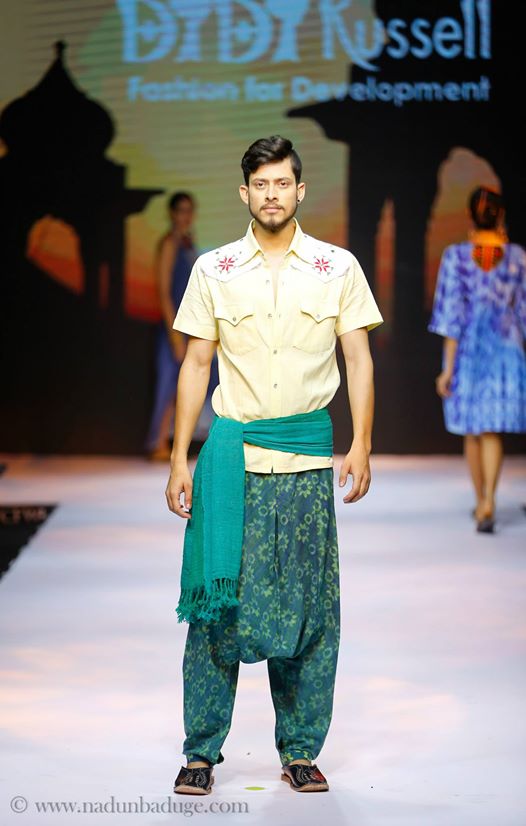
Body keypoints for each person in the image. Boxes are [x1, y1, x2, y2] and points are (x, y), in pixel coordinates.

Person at [165, 136, 383, 794]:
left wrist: (363, 442)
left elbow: (358, 358)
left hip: (307, 464)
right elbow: (196, 364)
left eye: (282, 183)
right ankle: (201, 751)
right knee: (218, 608)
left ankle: (301, 749)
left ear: (299, 190)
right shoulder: (216, 268)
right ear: (244, 193)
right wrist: (178, 456)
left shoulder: (337, 267)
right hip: (233, 465)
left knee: (309, 610)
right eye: (260, 184)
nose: (271, 194)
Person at [429, 186, 526, 533]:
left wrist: (447, 369)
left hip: (469, 351)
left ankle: (482, 500)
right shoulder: (517, 257)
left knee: (472, 430)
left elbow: (451, 317)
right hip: (507, 349)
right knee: (491, 429)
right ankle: (488, 502)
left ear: (470, 215)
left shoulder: (456, 257)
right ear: (501, 215)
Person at [144, 192, 218, 460]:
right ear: (172, 213)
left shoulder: (187, 243)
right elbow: (164, 292)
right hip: (173, 327)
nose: (186, 216)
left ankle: (168, 443)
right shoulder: (169, 244)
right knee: (168, 384)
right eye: (181, 211)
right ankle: (157, 443)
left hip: (189, 324)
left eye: (190, 210)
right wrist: (174, 334)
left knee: (183, 385)